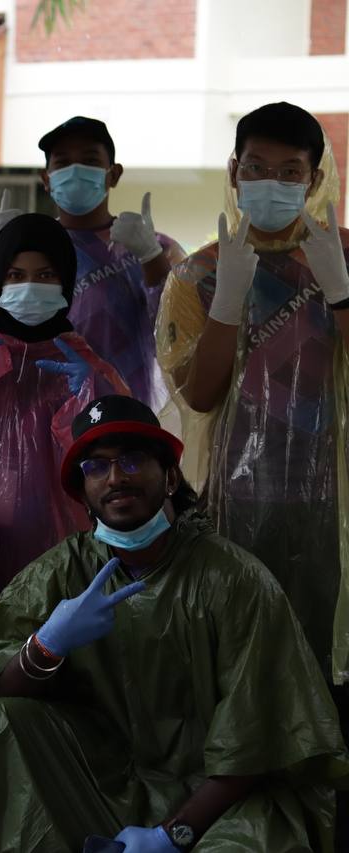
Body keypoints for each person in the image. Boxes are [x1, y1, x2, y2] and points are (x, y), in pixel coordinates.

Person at [0, 395, 349, 852]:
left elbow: (259, 738)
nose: (115, 477)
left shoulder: (234, 580)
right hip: (105, 784)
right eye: (96, 467)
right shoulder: (61, 574)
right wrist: (45, 648)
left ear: (169, 477)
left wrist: (173, 835)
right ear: (81, 492)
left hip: (226, 802)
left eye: (132, 459)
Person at [156, 102, 349, 683]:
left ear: (313, 178)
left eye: (290, 171)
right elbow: (201, 396)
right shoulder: (198, 274)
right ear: (234, 170)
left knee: (328, 658)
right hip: (239, 496)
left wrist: (340, 290)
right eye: (257, 167)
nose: (272, 183)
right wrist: (227, 300)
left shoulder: (345, 255)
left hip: (335, 498)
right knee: (245, 658)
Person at [0, 212, 128, 590]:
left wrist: (91, 391)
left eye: (45, 276)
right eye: (15, 275)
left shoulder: (81, 360)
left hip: (51, 540)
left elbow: (119, 447)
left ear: (66, 282)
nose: (29, 288)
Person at [0, 116, 184, 410]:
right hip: (39, 414)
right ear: (46, 179)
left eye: (89, 160)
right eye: (62, 163)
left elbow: (178, 340)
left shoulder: (157, 247)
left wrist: (151, 259)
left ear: (114, 174)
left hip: (124, 414)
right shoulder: (28, 248)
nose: (75, 171)